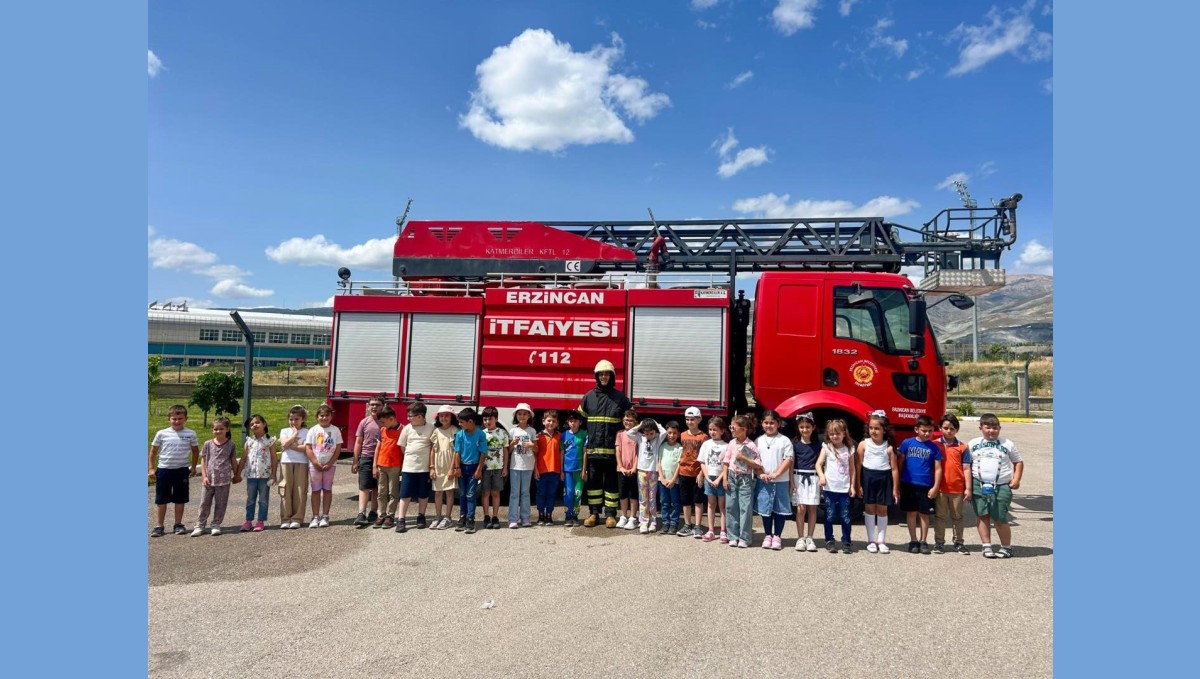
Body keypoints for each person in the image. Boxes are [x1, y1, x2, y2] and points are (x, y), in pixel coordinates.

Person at [577, 359, 632, 528]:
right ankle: (593, 513)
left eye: (606, 374)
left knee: (611, 483)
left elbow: (631, 421)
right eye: (600, 374)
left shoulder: (620, 398)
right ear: (596, 376)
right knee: (593, 484)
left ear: (612, 376)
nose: (603, 377)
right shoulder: (588, 397)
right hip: (593, 450)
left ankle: (610, 515)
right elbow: (580, 420)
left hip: (612, 451)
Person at [968, 414, 1024, 559]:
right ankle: (986, 546)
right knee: (982, 515)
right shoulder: (972, 444)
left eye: (995, 428)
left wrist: (1016, 479)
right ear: (981, 428)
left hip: (1001, 485)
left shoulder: (1007, 444)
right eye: (988, 427)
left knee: (1000, 517)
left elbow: (1018, 462)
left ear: (999, 428)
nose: (991, 431)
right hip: (978, 484)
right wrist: (967, 486)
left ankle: (1006, 547)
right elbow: (966, 466)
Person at [148, 404, 200, 537]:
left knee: (180, 499)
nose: (177, 421)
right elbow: (153, 452)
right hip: (164, 470)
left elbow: (195, 451)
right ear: (169, 419)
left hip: (181, 470)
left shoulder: (190, 434)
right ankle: (159, 526)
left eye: (180, 418)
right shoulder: (161, 433)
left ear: (185, 419)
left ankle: (178, 524)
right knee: (161, 499)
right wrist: (151, 468)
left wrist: (193, 467)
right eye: (174, 419)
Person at [897, 415, 945, 554]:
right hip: (908, 484)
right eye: (924, 430)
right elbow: (900, 461)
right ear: (916, 429)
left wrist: (935, 487)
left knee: (924, 514)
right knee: (911, 513)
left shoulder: (934, 448)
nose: (927, 434)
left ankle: (923, 541)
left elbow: (938, 468)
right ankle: (913, 540)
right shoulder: (907, 443)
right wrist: (899, 481)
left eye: (930, 431)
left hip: (926, 486)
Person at [856, 411, 900, 554]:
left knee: (882, 509)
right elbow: (857, 466)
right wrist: (857, 484)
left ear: (884, 430)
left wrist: (895, 488)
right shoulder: (863, 444)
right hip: (868, 478)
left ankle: (881, 540)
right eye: (871, 428)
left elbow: (894, 469)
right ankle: (871, 540)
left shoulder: (889, 447)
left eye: (877, 428)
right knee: (869, 508)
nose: (873, 431)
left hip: (884, 478)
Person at [191, 417, 238, 536]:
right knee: (204, 503)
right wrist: (204, 476)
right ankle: (200, 525)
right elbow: (204, 461)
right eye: (215, 429)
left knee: (221, 503)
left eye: (221, 429)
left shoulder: (231, 445)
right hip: (209, 480)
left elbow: (233, 461)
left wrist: (237, 474)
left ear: (227, 429)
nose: (218, 431)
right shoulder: (208, 444)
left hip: (224, 480)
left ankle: (216, 524)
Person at [815, 418, 856, 553]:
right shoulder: (826, 448)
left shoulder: (849, 449)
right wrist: (821, 476)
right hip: (830, 488)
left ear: (844, 433)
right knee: (829, 515)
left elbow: (852, 469)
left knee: (845, 516)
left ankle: (846, 541)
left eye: (837, 433)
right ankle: (829, 540)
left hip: (844, 489)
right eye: (832, 434)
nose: (835, 436)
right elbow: (818, 464)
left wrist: (852, 486)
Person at [723, 415, 762, 549]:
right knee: (731, 506)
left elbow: (757, 464)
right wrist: (724, 478)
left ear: (743, 429)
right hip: (731, 476)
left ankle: (745, 537)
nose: (732, 429)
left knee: (745, 508)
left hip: (745, 478)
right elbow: (726, 462)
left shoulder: (751, 445)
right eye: (731, 427)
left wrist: (744, 458)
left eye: (734, 427)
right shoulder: (732, 443)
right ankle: (732, 536)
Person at [933, 414, 970, 554]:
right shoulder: (935, 444)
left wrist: (968, 488)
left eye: (952, 428)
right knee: (940, 516)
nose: (949, 431)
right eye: (946, 428)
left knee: (957, 517)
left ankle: (959, 543)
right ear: (940, 428)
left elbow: (966, 468)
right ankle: (939, 543)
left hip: (957, 489)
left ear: (957, 430)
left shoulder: (962, 447)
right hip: (940, 488)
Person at [396, 401, 435, 532]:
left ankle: (421, 516)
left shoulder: (431, 428)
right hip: (409, 468)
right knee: (405, 494)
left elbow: (434, 447)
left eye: (411, 416)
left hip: (424, 469)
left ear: (420, 416)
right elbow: (402, 446)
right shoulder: (407, 429)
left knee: (423, 494)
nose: (408, 418)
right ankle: (401, 519)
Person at [304, 404, 343, 528]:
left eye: (327, 415)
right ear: (317, 417)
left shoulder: (335, 430)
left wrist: (330, 463)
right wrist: (315, 462)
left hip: (330, 466)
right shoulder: (313, 430)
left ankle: (325, 515)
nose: (324, 418)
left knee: (327, 490)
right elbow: (308, 448)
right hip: (315, 466)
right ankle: (315, 516)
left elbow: (338, 448)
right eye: (321, 415)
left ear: (331, 416)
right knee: (315, 491)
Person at [238, 414, 277, 533]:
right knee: (250, 499)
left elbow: (274, 458)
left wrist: (274, 474)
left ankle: (260, 520)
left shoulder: (269, 441)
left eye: (257, 422)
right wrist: (237, 473)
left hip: (265, 476)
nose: (254, 425)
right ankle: (248, 520)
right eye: (251, 424)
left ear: (264, 424)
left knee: (263, 500)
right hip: (251, 476)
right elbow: (243, 458)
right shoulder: (249, 441)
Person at [790, 412, 822, 552]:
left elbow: (822, 463)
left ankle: (810, 537)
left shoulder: (818, 444)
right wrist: (791, 482)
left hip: (813, 477)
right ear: (798, 428)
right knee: (800, 508)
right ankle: (800, 538)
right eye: (801, 427)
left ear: (813, 427)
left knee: (812, 508)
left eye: (807, 427)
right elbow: (791, 465)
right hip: (799, 478)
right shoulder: (794, 444)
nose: (804, 430)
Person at [452, 407, 487, 534]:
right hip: (462, 466)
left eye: (461, 422)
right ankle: (462, 517)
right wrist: (457, 468)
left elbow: (483, 453)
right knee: (462, 493)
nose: (459, 424)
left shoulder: (480, 434)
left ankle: (470, 518)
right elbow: (457, 452)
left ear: (470, 421)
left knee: (471, 494)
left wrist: (479, 470)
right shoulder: (460, 434)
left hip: (474, 467)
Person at [351, 396, 384, 527]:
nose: (375, 407)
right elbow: (358, 442)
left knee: (377, 487)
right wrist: (355, 461)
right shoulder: (364, 422)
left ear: (383, 406)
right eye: (372, 405)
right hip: (365, 457)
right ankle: (361, 513)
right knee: (364, 486)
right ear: (368, 406)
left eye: (378, 405)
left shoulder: (385, 422)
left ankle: (373, 511)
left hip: (381, 459)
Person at [630, 418, 666, 534]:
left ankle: (653, 521)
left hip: (653, 472)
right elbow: (629, 433)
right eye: (647, 433)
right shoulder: (640, 438)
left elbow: (664, 432)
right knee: (643, 498)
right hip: (642, 471)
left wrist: (656, 423)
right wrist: (640, 425)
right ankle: (644, 521)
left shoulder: (658, 439)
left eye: (651, 433)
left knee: (652, 498)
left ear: (655, 432)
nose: (649, 436)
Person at [676, 407, 708, 537]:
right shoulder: (682, 435)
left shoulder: (704, 436)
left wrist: (701, 474)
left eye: (692, 419)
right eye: (687, 419)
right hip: (684, 472)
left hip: (697, 474)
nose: (690, 422)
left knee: (698, 500)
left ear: (699, 419)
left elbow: (705, 457)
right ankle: (687, 525)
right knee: (685, 500)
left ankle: (698, 526)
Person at [277, 405, 311, 530]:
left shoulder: (307, 432)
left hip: (301, 463)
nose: (293, 422)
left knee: (300, 489)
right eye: (291, 419)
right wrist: (294, 435)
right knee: (285, 489)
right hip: (286, 462)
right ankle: (286, 518)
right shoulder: (284, 431)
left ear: (303, 419)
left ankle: (297, 518)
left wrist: (290, 445)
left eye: (296, 419)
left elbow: (305, 448)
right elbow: (284, 443)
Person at [698, 417, 729, 543]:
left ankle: (723, 531)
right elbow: (702, 462)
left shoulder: (726, 446)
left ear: (722, 430)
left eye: (715, 429)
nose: (712, 432)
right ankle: (711, 530)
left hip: (721, 478)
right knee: (711, 504)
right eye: (710, 429)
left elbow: (726, 465)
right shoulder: (706, 444)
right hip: (709, 477)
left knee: (722, 505)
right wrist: (706, 477)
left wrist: (719, 479)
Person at [479, 406, 511, 530]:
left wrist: (505, 467)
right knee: (485, 492)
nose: (487, 422)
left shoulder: (502, 433)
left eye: (490, 419)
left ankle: (495, 516)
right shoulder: (481, 433)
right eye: (485, 419)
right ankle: (486, 516)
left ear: (496, 419)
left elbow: (506, 450)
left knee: (495, 493)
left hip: (498, 467)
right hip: (485, 468)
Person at [371, 407, 403, 530]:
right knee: (381, 492)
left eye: (383, 421)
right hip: (381, 465)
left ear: (392, 419)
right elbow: (378, 448)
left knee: (393, 492)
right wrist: (375, 465)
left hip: (394, 466)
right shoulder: (382, 430)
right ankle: (381, 514)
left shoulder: (402, 430)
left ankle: (390, 515)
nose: (382, 424)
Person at [429, 405, 459, 530]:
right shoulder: (436, 431)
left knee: (449, 491)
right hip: (438, 465)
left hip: (449, 464)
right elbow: (433, 450)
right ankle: (438, 516)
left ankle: (448, 517)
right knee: (437, 492)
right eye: (441, 416)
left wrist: (453, 468)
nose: (444, 418)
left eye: (446, 415)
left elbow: (456, 451)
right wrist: (431, 467)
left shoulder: (455, 430)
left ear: (451, 417)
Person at [508, 403, 537, 529]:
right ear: (516, 416)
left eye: (525, 414)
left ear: (529, 416)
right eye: (520, 414)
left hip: (528, 466)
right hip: (515, 465)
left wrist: (531, 445)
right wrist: (512, 444)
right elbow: (508, 451)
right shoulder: (512, 430)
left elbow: (537, 449)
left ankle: (525, 518)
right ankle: (513, 519)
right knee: (514, 492)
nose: (522, 416)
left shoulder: (532, 431)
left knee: (525, 492)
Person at [534, 410, 563, 526]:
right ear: (543, 421)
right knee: (541, 493)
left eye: (553, 421)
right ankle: (541, 515)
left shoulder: (560, 436)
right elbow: (535, 454)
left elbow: (562, 454)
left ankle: (549, 515)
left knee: (551, 494)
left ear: (557, 423)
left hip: (555, 471)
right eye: (548, 420)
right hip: (541, 471)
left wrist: (561, 471)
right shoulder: (538, 436)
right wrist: (535, 469)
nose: (551, 423)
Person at [561, 411, 588, 527]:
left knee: (578, 493)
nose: (573, 423)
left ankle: (575, 515)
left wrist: (584, 470)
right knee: (569, 493)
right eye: (571, 421)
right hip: (567, 470)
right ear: (568, 422)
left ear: (580, 422)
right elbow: (561, 453)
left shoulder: (584, 434)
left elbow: (585, 453)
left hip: (579, 470)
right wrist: (561, 470)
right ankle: (568, 516)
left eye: (575, 421)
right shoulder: (564, 435)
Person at [615, 410, 641, 530]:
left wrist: (634, 467)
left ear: (635, 422)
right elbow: (618, 451)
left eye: (631, 420)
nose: (628, 422)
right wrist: (621, 466)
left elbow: (637, 453)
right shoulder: (620, 434)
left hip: (633, 470)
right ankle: (624, 516)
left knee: (633, 494)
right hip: (622, 470)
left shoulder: (638, 435)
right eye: (626, 420)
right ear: (622, 421)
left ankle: (633, 518)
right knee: (623, 494)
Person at [657, 421, 683, 536]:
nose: (671, 435)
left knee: (675, 503)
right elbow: (659, 462)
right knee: (664, 502)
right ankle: (665, 522)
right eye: (669, 433)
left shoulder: (679, 448)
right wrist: (662, 478)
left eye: (674, 433)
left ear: (678, 434)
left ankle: (674, 523)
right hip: (662, 481)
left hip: (674, 482)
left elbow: (679, 465)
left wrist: (673, 480)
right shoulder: (662, 447)